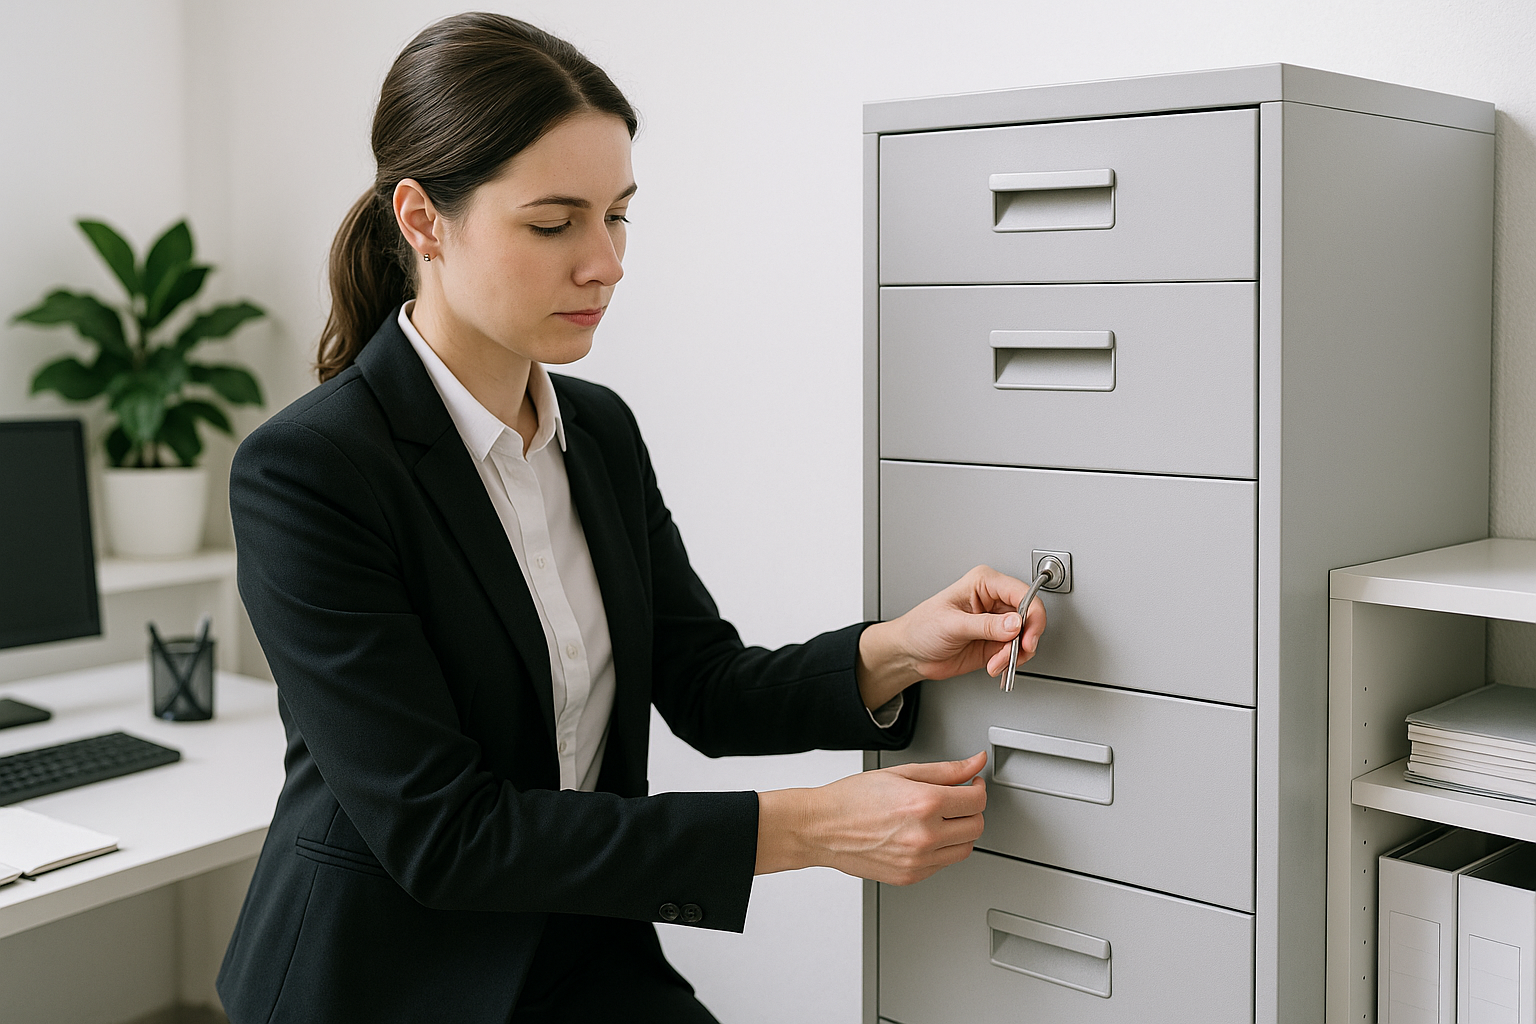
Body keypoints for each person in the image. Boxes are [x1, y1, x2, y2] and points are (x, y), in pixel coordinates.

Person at [216, 13, 1045, 1024]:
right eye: (555, 222)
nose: (606, 262)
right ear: (423, 220)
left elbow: (702, 682)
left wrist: (897, 650)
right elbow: (447, 835)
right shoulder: (309, 472)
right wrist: (815, 827)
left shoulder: (598, 433)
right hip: (388, 981)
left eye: (619, 216)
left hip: (583, 951)